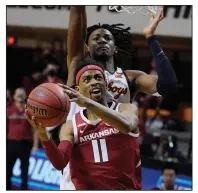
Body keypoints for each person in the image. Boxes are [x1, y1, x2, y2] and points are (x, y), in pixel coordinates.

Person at [57, 6, 177, 190]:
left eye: (107, 38)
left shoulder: (130, 78)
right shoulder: (78, 69)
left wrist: (151, 38)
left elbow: (168, 86)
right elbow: (76, 13)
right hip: (81, 160)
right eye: (95, 38)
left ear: (116, 48)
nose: (102, 40)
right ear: (87, 47)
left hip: (117, 163)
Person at [25, 60, 142, 190]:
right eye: (87, 79)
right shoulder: (71, 126)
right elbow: (60, 162)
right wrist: (43, 135)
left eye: (98, 77)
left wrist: (86, 102)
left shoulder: (125, 109)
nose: (94, 82)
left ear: (106, 84)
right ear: (77, 89)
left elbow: (126, 126)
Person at [6, 88, 39, 190]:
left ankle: (24, 189)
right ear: (14, 97)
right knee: (7, 170)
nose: (20, 100)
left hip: (25, 144)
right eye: (18, 97)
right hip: (11, 143)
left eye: (22, 98)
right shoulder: (8, 109)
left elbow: (35, 129)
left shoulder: (30, 110)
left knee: (24, 171)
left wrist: (35, 145)